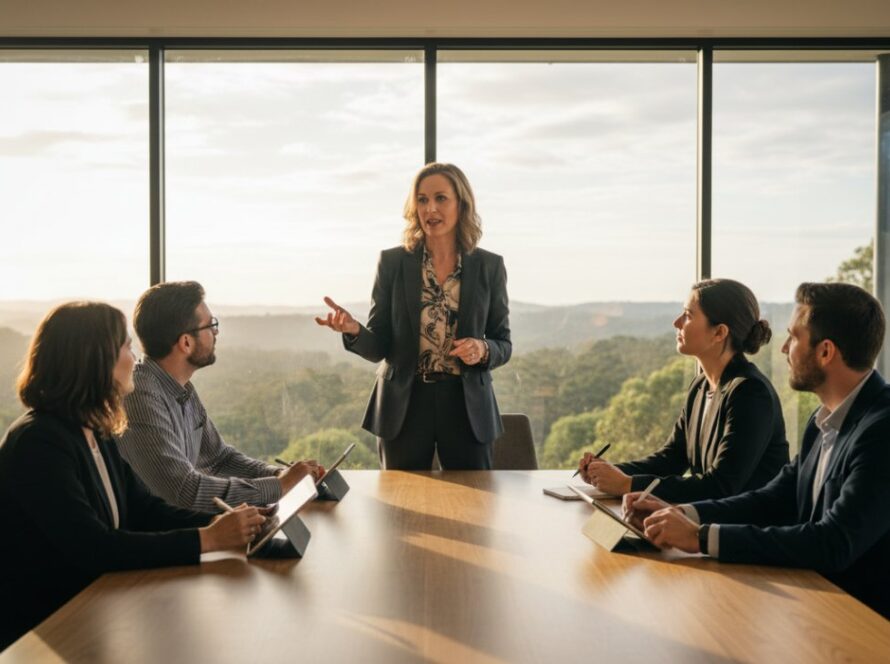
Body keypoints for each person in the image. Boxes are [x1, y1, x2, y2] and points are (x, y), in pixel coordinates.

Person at [0, 303, 266, 650]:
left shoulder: (95, 429)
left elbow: (145, 510)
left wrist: (228, 524)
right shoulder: (39, 443)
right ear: (95, 361)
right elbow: (94, 547)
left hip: (94, 610)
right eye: (126, 348)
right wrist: (209, 539)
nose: (135, 359)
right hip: (44, 633)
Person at [630, 283, 890, 619]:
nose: (783, 348)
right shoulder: (822, 420)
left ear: (825, 352)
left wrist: (701, 538)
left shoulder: (882, 431)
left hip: (861, 624)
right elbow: (776, 497)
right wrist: (682, 513)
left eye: (794, 337)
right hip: (813, 605)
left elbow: (833, 542)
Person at [315, 162, 511, 469]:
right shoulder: (392, 262)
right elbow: (379, 346)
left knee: (473, 507)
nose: (430, 208)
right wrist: (353, 330)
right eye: (422, 199)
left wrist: (483, 349)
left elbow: (504, 343)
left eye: (440, 198)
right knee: (400, 508)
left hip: (467, 407)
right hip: (404, 406)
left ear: (461, 203)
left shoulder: (490, 266)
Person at [578, 278, 789, 502]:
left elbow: (720, 485)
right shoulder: (700, 386)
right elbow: (671, 460)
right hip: (710, 522)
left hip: (745, 530)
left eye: (688, 315)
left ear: (719, 333)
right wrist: (606, 472)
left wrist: (627, 484)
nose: (676, 322)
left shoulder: (750, 393)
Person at [118, 282, 323, 512]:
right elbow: (184, 491)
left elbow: (219, 459)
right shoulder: (139, 395)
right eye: (210, 325)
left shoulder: (182, 389)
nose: (215, 332)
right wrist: (279, 486)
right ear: (186, 342)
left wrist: (279, 474)